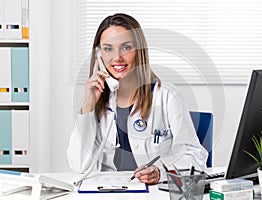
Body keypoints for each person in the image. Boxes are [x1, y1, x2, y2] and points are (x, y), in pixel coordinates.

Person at [67, 13, 208, 185]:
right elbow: (78, 165)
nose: (117, 57)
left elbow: (196, 157)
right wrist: (88, 105)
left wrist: (160, 172)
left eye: (126, 47)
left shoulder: (167, 97)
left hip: (154, 193)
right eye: (108, 48)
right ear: (99, 56)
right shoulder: (95, 101)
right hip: (109, 193)